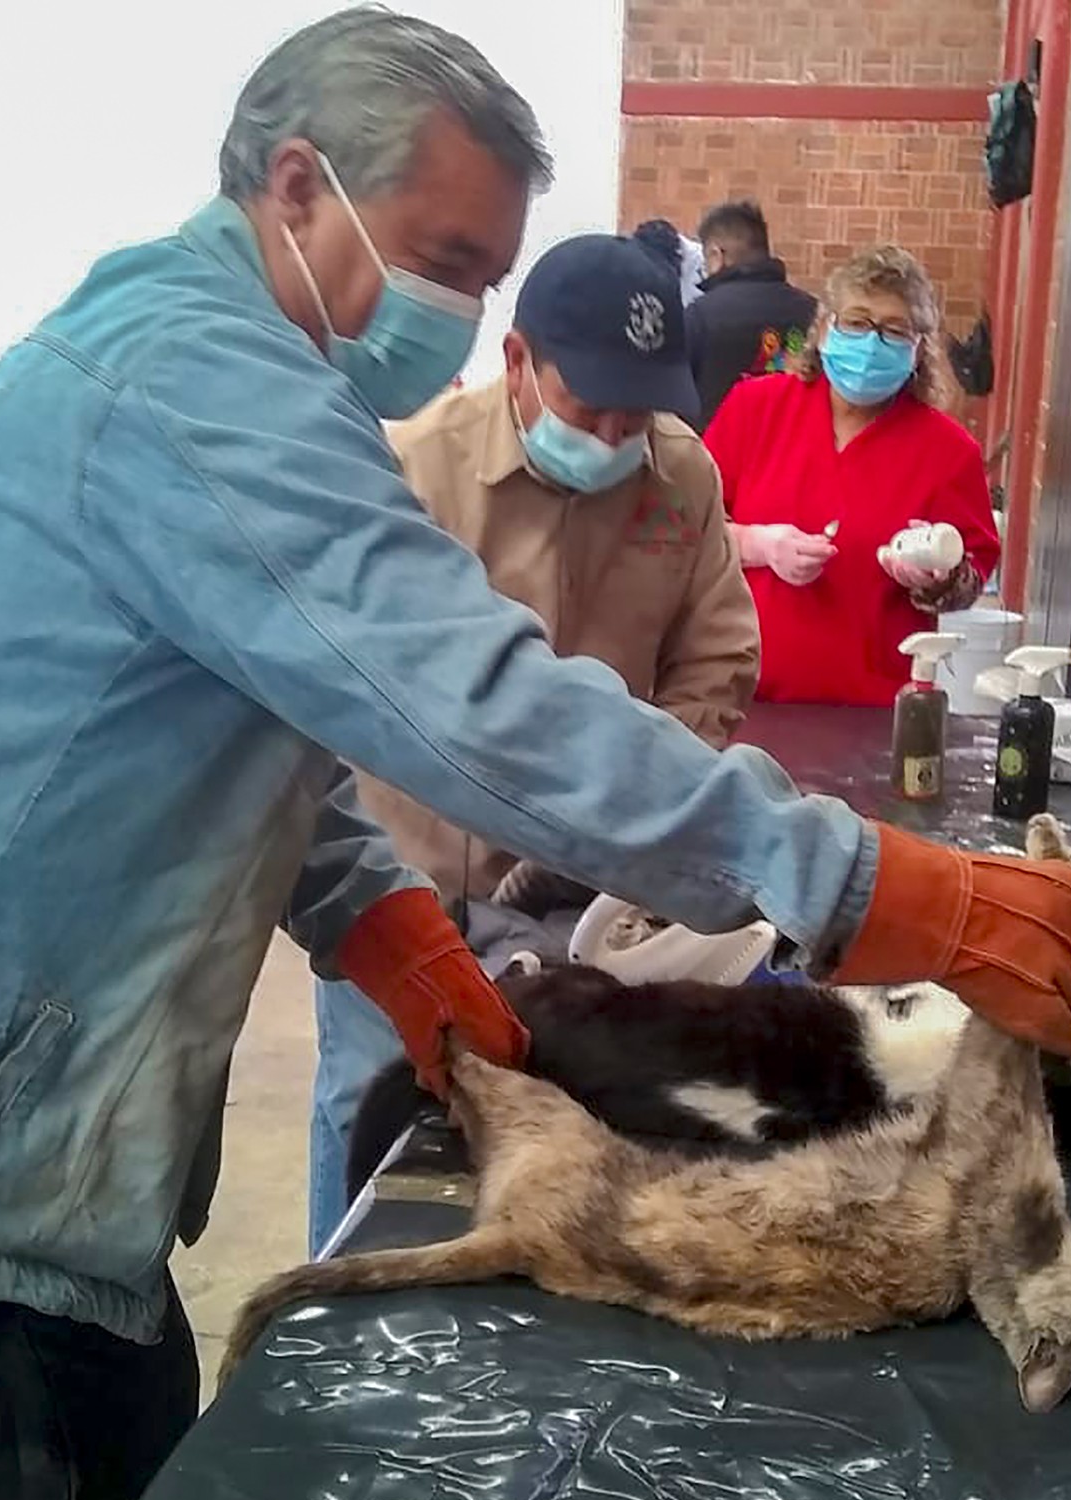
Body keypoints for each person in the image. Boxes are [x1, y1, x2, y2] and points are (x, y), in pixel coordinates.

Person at [0, 13, 1071, 1500]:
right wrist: (859, 883)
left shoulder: (260, 380)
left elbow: (255, 717)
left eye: (482, 273)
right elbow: (470, 698)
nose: (453, 306)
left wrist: (379, 916)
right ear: (297, 186)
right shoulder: (189, 377)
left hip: (2, 1148)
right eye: (441, 253)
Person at [308, 230, 758, 1248]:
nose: (608, 435)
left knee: (558, 1129)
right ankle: (328, 1346)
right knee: (369, 1111)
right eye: (584, 405)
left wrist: (637, 795)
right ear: (516, 361)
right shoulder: (412, 468)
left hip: (577, 899)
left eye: (632, 413)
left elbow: (716, 659)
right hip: (403, 878)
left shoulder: (679, 481)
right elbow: (345, 682)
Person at [704, 244, 1000, 707]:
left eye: (894, 330)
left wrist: (937, 580)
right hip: (741, 698)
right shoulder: (755, 409)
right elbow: (683, 531)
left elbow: (970, 577)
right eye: (858, 322)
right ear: (824, 329)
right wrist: (759, 545)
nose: (872, 343)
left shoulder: (947, 452)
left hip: (874, 712)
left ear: (918, 349)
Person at [685, 199, 818, 428]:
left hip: (715, 454)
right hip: (790, 450)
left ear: (717, 256)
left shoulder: (700, 315)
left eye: (706, 259)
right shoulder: (813, 311)